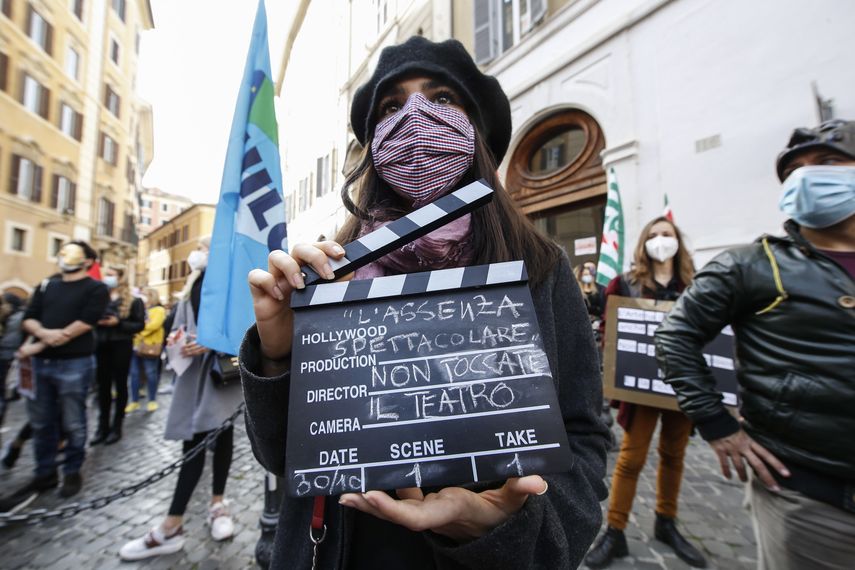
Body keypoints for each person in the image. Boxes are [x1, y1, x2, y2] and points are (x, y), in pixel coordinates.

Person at [235, 36, 608, 569]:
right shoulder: (328, 270)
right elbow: (281, 456)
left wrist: (503, 524)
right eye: (391, 107)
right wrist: (278, 354)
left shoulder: (541, 269)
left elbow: (583, 441)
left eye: (442, 98)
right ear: (374, 144)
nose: (415, 117)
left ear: (476, 130)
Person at [655, 119, 855, 569]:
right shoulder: (751, 265)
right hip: (808, 495)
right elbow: (674, 335)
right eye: (794, 170)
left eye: (827, 161)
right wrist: (716, 423)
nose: (808, 176)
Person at [586, 216, 707, 569]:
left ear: (678, 241)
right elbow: (610, 331)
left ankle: (666, 522)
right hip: (642, 389)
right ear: (643, 243)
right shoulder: (626, 284)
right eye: (653, 235)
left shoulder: (697, 285)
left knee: (673, 455)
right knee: (631, 458)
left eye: (666, 234)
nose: (660, 240)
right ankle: (616, 530)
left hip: (683, 387)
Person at [120, 237, 243, 560]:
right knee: (195, 439)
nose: (199, 252)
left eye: (205, 247)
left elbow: (244, 324)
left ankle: (203, 511)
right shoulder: (195, 282)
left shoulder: (229, 281)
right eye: (200, 247)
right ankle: (184, 519)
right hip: (193, 371)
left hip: (218, 371)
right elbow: (183, 321)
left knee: (218, 436)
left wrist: (211, 341)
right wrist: (180, 339)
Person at [0, 242, 108, 510]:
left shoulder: (95, 288)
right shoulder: (47, 285)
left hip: (75, 363)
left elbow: (86, 321)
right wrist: (44, 335)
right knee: (41, 421)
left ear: (88, 261)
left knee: (73, 421)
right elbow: (30, 317)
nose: (64, 257)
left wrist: (45, 341)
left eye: (72, 253)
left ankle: (72, 470)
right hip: (41, 364)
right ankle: (45, 472)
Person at [91, 266, 145, 445]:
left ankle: (117, 426)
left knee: (121, 385)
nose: (107, 277)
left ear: (121, 277)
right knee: (103, 387)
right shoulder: (100, 297)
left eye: (111, 275)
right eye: (106, 274)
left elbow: (139, 325)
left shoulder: (134, 301)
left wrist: (118, 323)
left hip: (121, 346)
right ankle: (102, 427)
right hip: (101, 345)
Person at [126, 288, 167, 413]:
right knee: (134, 374)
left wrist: (138, 331)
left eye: (144, 294)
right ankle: (134, 401)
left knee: (150, 373)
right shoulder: (139, 309)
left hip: (150, 346)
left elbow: (153, 325)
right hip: (135, 346)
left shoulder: (159, 310)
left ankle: (152, 400)